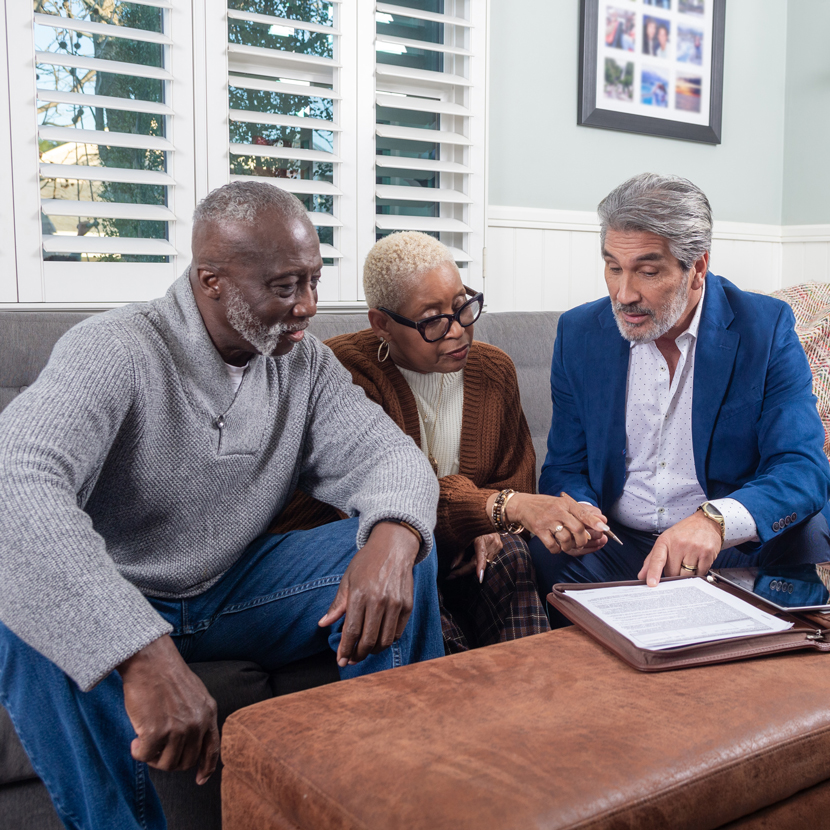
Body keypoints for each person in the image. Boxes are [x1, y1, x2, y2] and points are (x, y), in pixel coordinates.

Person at [0, 182, 445, 830]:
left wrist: (394, 538)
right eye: (285, 287)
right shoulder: (116, 349)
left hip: (232, 590)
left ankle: (389, 801)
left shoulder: (305, 366)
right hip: (126, 591)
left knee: (405, 552)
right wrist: (140, 650)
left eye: (314, 282)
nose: (309, 308)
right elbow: (16, 477)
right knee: (22, 613)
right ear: (212, 281)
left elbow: (389, 458)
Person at [273, 232, 607, 652]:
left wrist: (492, 526)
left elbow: (516, 481)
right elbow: (381, 501)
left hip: (470, 558)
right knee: (414, 566)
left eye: (462, 306)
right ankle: (457, 706)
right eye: (432, 319)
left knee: (513, 557)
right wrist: (483, 513)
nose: (457, 331)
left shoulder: (494, 369)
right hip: (383, 550)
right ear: (383, 324)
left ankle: (534, 703)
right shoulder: (345, 372)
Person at [531, 173, 830, 596]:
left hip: (729, 548)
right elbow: (564, 465)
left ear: (697, 268)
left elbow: (802, 469)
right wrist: (581, 511)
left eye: (647, 272)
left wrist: (715, 520)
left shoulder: (764, 329)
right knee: (547, 552)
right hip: (617, 546)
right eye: (613, 268)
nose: (624, 293)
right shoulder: (580, 333)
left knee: (807, 533)